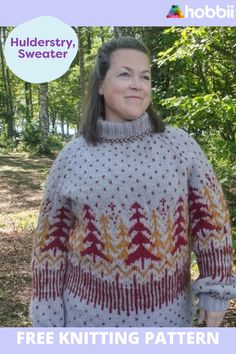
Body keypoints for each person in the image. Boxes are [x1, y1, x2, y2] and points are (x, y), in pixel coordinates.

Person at [30, 36, 235, 327]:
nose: (137, 84)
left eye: (145, 76)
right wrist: (46, 316)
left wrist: (216, 291)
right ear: (100, 85)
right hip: (84, 320)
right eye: (125, 74)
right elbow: (49, 242)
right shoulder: (73, 155)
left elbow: (211, 223)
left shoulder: (179, 146)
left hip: (168, 319)